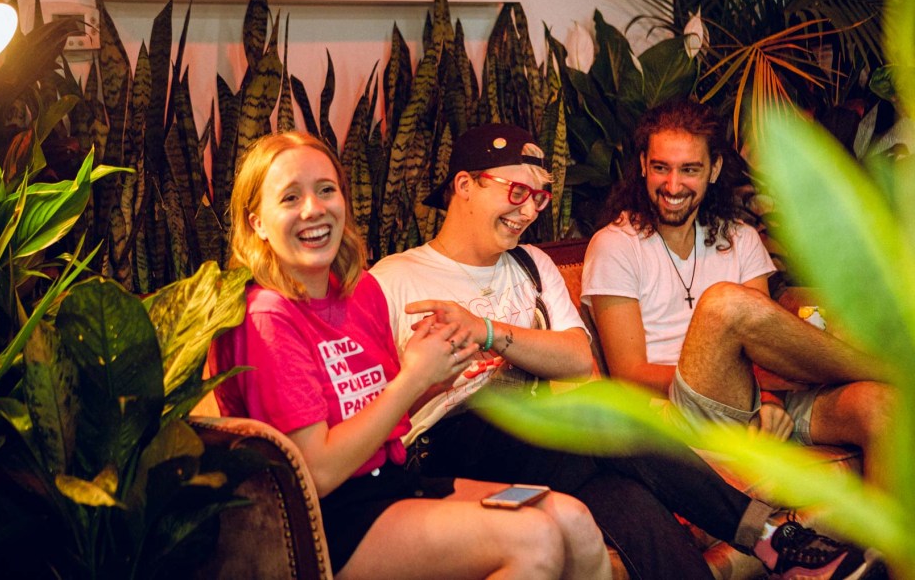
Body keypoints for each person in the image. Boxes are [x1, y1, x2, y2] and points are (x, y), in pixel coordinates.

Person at [371, 122, 885, 580]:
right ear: (465, 185)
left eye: (539, 198)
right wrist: (432, 375)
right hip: (448, 441)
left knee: (629, 501)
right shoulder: (394, 278)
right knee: (597, 410)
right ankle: (771, 533)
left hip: (538, 437)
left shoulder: (531, 265)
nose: (527, 211)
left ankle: (774, 543)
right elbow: (371, 409)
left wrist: (487, 331)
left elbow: (577, 358)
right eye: (517, 192)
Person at [208, 131, 612, 580]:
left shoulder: (360, 291)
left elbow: (385, 415)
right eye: (290, 197)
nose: (313, 209)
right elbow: (317, 473)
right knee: (533, 537)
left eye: (326, 190)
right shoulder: (266, 317)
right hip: (326, 517)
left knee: (574, 519)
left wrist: (438, 378)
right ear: (258, 223)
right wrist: (413, 379)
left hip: (394, 483)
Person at [580, 99, 892, 481]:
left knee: (881, 407)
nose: (673, 185)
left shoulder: (740, 238)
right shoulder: (615, 245)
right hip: (680, 406)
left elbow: (765, 341)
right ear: (644, 165)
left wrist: (769, 400)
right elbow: (629, 373)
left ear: (714, 169)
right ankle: (891, 369)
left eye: (690, 169)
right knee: (724, 303)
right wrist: (735, 384)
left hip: (757, 395)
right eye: (661, 168)